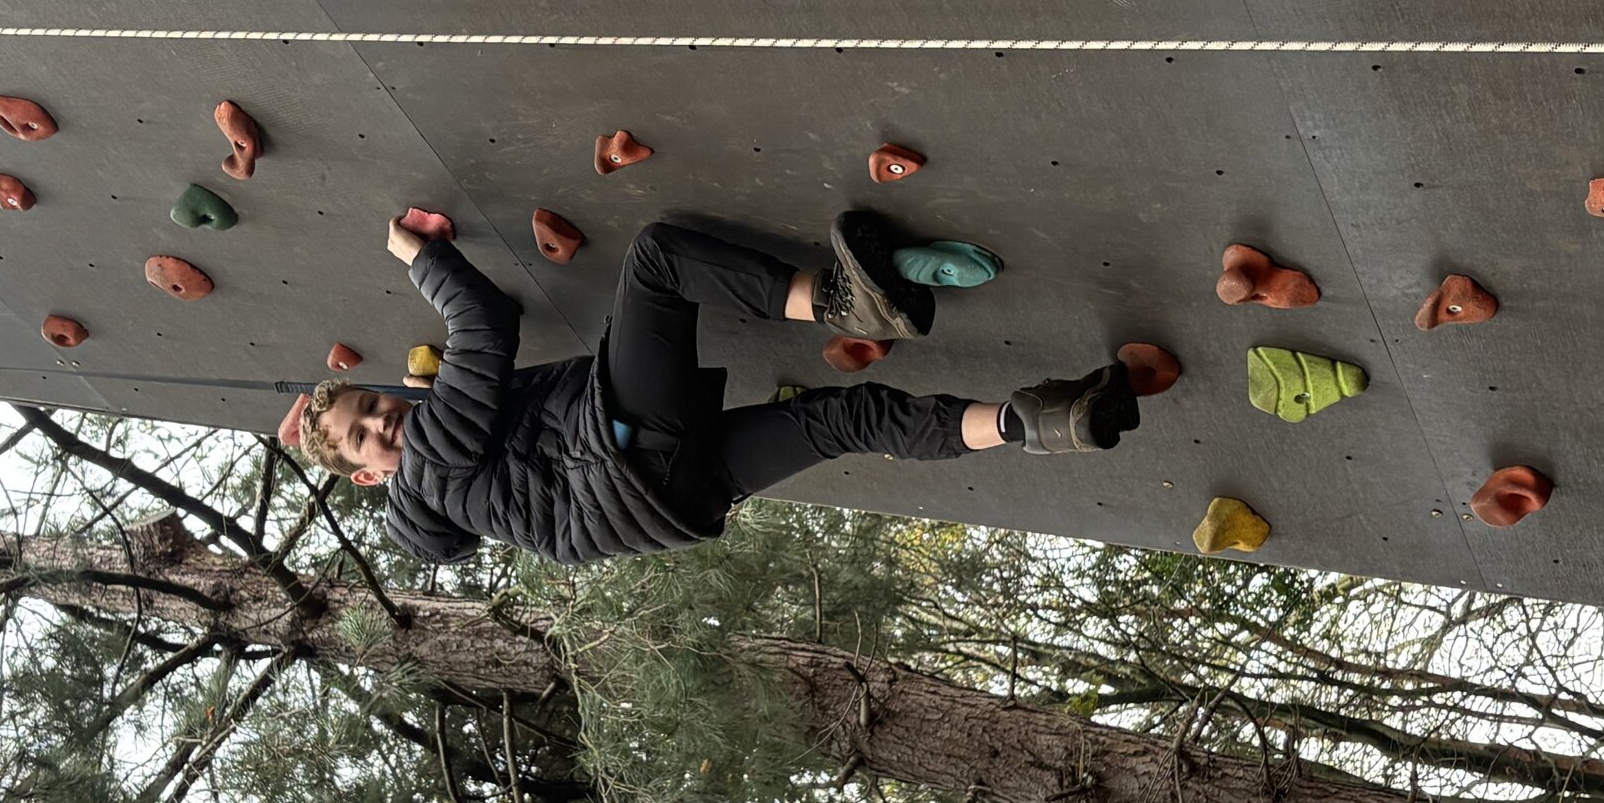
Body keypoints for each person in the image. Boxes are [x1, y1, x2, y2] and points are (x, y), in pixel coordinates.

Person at [279, 213, 1139, 566]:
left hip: (666, 507)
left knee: (845, 421)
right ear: (366, 477)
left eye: (373, 403)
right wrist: (416, 255)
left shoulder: (452, 496)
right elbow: (485, 328)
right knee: (656, 260)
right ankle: (843, 299)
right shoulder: (431, 456)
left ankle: (1035, 422)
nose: (386, 418)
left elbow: (470, 511)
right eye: (363, 435)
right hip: (619, 456)